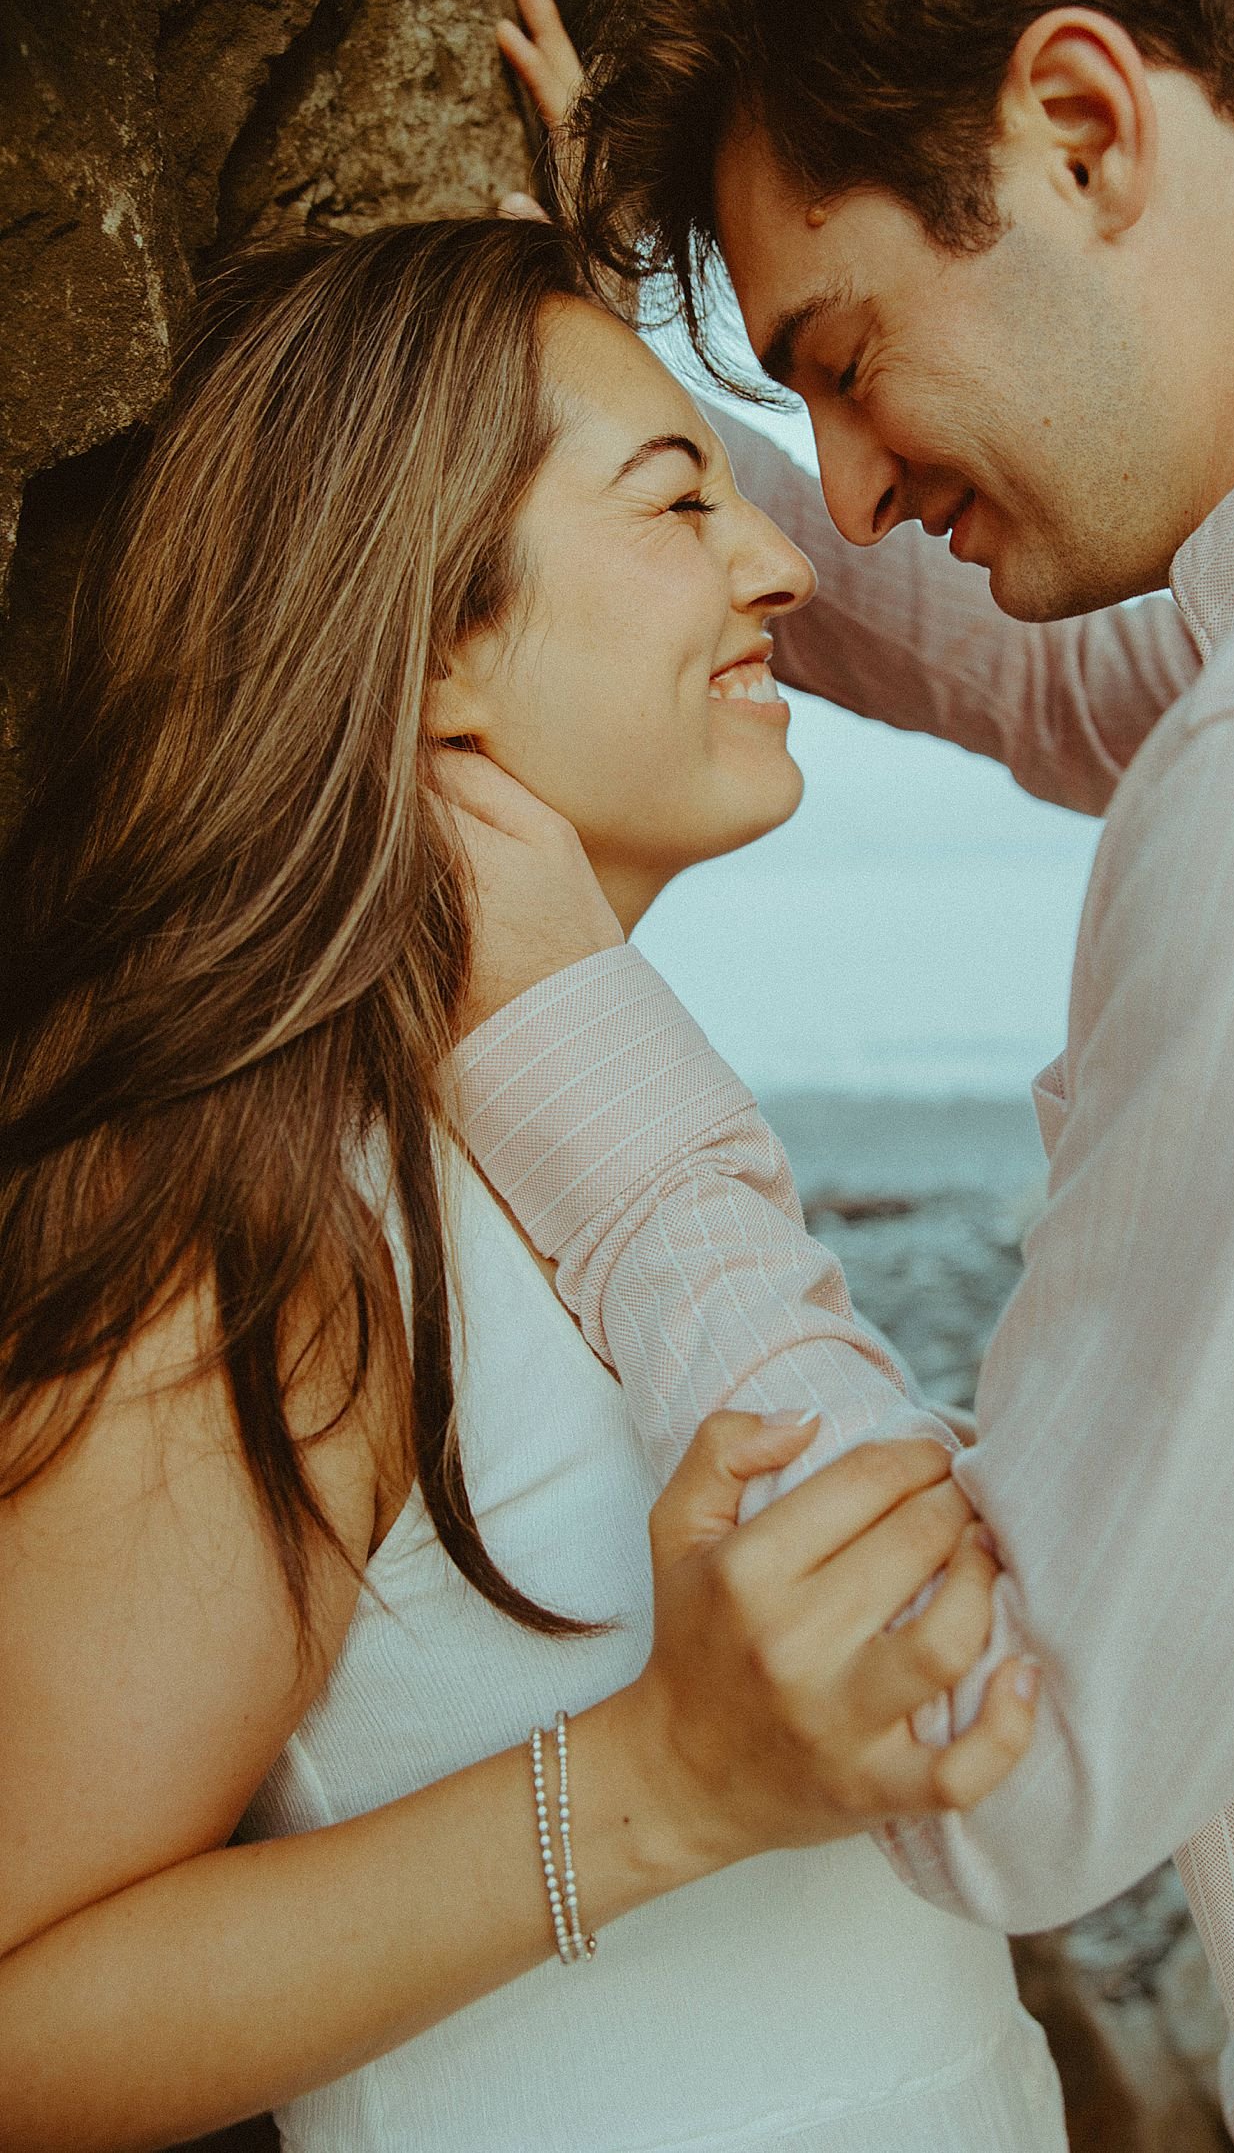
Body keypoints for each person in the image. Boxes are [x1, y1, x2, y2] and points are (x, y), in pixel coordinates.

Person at [481, 0, 1234, 2152]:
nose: (834, 492)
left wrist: (557, 1023)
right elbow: (1050, 669)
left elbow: (1001, 1747)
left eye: (841, 358)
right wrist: (602, 388)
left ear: (1077, 123)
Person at [0, 218, 1049, 2153]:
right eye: (677, 499)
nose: (785, 560)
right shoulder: (261, 1199)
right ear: (431, 633)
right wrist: (663, 1784)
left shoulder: (604, 1120)